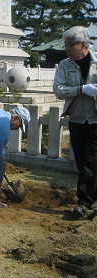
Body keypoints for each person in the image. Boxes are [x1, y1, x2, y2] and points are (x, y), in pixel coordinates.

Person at [53, 26, 97, 218]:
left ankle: (84, 201)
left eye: (70, 45)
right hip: (77, 120)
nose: (67, 49)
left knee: (90, 159)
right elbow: (59, 90)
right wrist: (80, 89)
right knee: (81, 160)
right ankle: (92, 196)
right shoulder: (65, 65)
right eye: (66, 45)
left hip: (96, 119)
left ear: (84, 44)